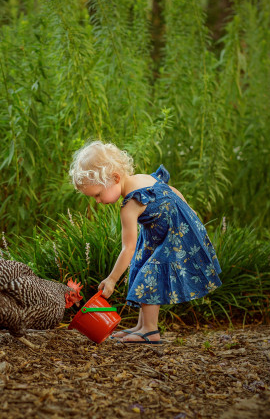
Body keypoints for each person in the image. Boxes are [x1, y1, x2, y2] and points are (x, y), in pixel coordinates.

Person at [69, 141, 222, 344]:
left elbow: (128, 248)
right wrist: (189, 211)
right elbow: (172, 191)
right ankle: (142, 326)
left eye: (97, 194)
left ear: (115, 178)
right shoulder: (143, 179)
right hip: (170, 231)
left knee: (149, 277)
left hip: (177, 236)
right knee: (140, 268)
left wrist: (112, 279)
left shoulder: (130, 205)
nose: (97, 201)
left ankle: (150, 330)